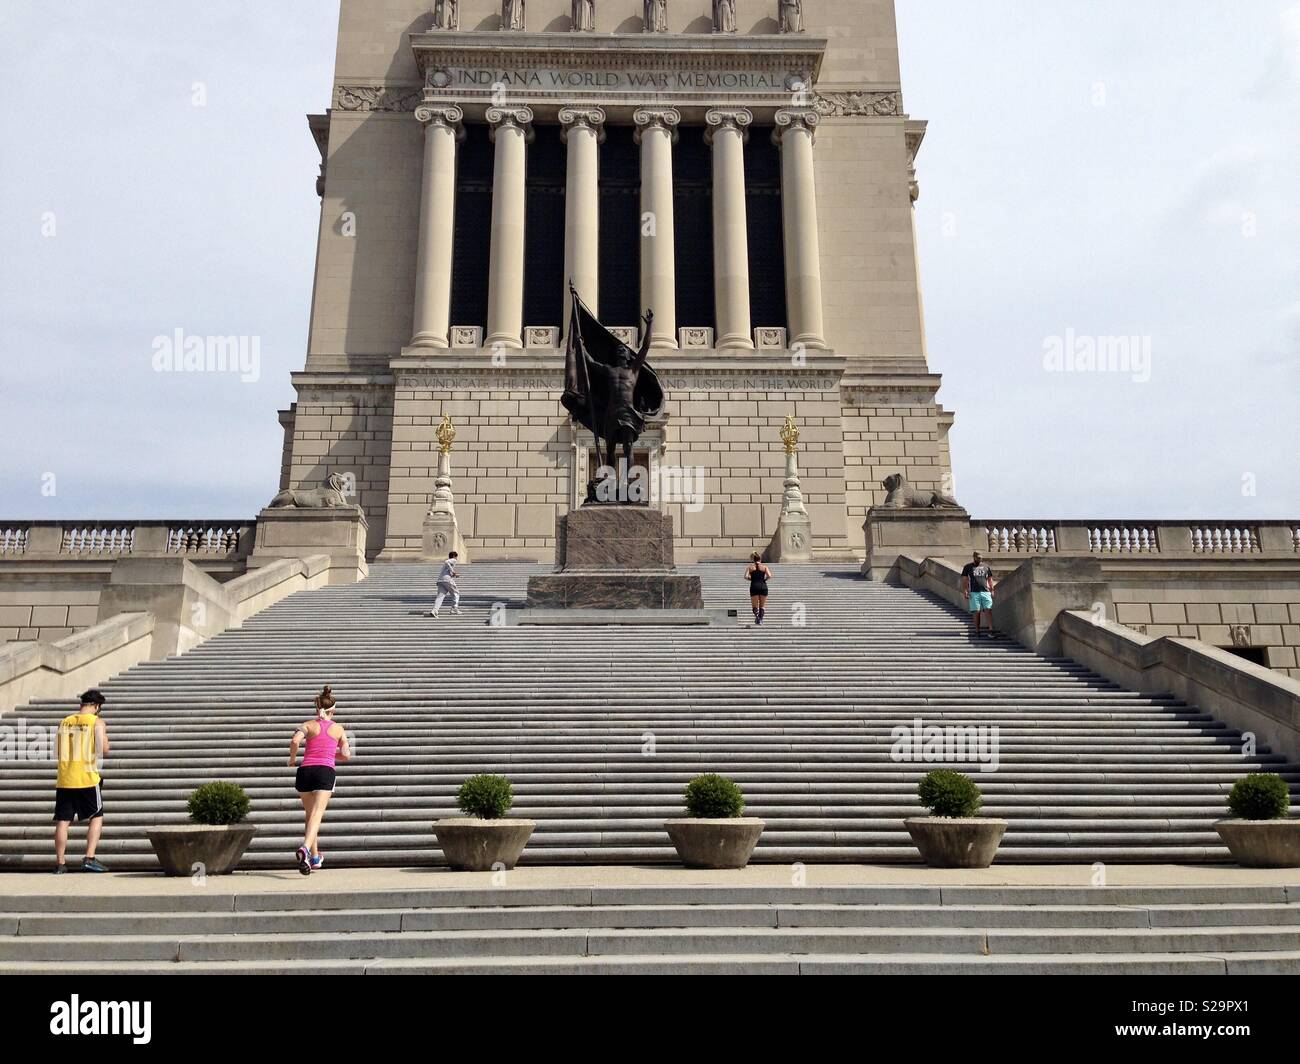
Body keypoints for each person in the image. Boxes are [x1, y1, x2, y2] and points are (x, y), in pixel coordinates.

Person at [287, 685, 352, 875]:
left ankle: (314, 858)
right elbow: (347, 755)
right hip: (324, 771)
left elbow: (295, 741)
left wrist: (292, 759)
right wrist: (332, 754)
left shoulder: (307, 724)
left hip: (305, 771)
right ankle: (305, 848)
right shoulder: (338, 729)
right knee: (317, 814)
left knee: (310, 815)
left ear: (317, 708)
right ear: (334, 709)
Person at [53, 689, 110, 874]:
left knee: (63, 821)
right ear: (97, 706)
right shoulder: (96, 722)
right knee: (97, 816)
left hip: (65, 779)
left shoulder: (65, 722)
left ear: (82, 704)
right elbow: (104, 749)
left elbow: (57, 750)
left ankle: (60, 864)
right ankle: (89, 857)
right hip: (87, 777)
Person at [960, 550, 997, 638]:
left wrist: (992, 590)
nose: (980, 559)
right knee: (976, 612)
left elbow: (990, 579)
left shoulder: (986, 566)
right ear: (974, 557)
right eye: (978, 558)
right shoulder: (968, 567)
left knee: (988, 609)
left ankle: (991, 630)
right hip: (974, 592)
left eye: (981, 558)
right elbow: (965, 580)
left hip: (985, 591)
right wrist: (965, 590)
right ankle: (977, 630)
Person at [426, 550, 461, 618]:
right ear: (454, 556)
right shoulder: (453, 560)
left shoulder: (447, 565)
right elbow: (446, 561)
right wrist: (453, 571)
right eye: (456, 557)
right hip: (447, 580)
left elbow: (447, 571)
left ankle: (434, 611)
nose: (456, 559)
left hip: (441, 580)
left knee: (440, 597)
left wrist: (454, 575)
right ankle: (454, 608)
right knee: (456, 593)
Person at [745, 552, 773, 626]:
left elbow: (745, 576)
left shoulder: (750, 567)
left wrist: (751, 579)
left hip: (754, 586)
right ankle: (760, 620)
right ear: (760, 559)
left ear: (753, 559)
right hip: (763, 586)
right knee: (762, 606)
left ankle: (757, 617)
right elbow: (769, 576)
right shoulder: (764, 567)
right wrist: (764, 580)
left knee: (755, 606)